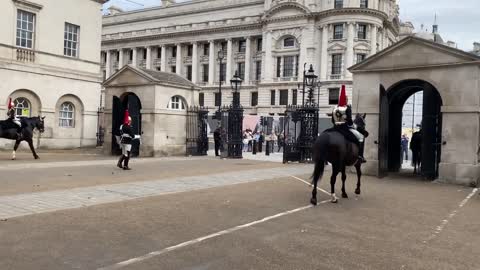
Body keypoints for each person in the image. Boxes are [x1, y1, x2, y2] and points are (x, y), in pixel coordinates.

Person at [331, 85, 366, 163]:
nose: (347, 101)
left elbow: (332, 120)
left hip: (335, 128)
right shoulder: (347, 107)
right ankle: (360, 156)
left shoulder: (335, 107)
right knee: (360, 138)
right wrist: (351, 124)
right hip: (345, 129)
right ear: (345, 100)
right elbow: (349, 121)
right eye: (346, 99)